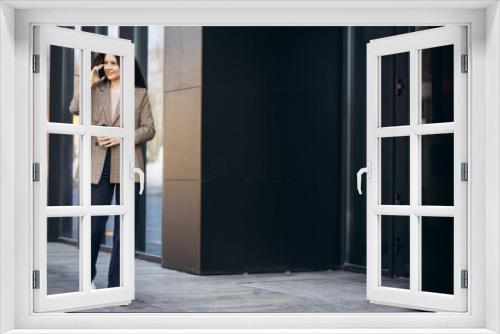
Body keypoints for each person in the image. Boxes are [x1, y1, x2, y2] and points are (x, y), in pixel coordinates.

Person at [69, 53, 156, 288]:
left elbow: (149, 129)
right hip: (98, 166)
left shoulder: (139, 94)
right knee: (95, 225)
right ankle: (87, 278)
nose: (108, 67)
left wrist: (122, 138)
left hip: (127, 165)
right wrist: (87, 83)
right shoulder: (94, 89)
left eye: (113, 63)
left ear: (124, 65)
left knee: (123, 230)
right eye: (105, 63)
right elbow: (74, 108)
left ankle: (117, 285)